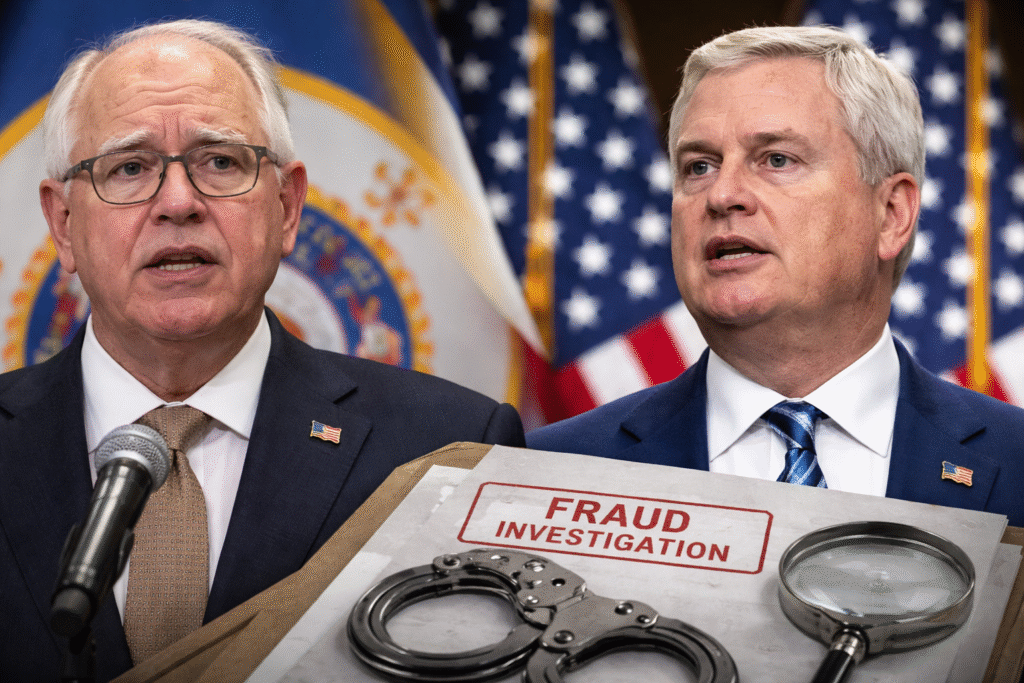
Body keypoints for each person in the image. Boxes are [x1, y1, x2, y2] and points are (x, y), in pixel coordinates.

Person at [0, 19, 524, 681]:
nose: (179, 202)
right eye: (129, 168)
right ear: (63, 224)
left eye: (220, 161)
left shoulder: (446, 450)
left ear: (288, 206)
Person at [528, 25, 1024, 528]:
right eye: (699, 166)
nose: (722, 195)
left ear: (891, 213)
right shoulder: (546, 474)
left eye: (777, 159)